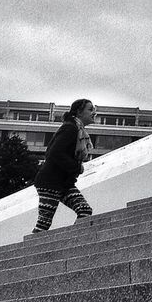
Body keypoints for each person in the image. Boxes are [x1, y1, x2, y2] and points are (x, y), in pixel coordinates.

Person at [31, 98, 96, 233]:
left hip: (63, 183)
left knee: (84, 210)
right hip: (51, 182)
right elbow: (54, 153)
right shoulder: (70, 128)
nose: (94, 113)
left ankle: (73, 241)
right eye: (90, 109)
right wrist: (77, 167)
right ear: (79, 112)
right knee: (43, 224)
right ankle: (25, 252)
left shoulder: (77, 129)